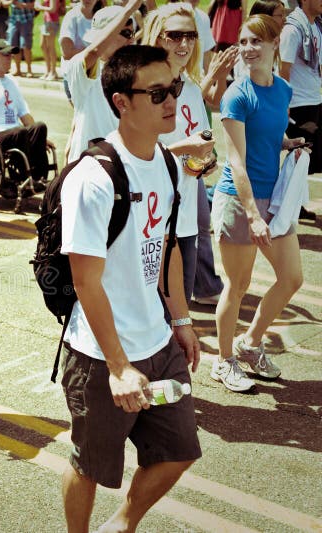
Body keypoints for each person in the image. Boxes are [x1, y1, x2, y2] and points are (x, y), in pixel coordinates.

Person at [59, 44, 202, 533]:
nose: (172, 101)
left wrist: (180, 320)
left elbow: (167, 249)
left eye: (175, 88)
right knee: (91, 466)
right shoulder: (95, 177)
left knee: (179, 450)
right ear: (122, 102)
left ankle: (122, 525)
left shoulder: (164, 162)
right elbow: (85, 280)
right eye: (158, 92)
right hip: (102, 357)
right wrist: (119, 366)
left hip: (159, 345)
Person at [211, 15, 305, 392]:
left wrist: (290, 145)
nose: (248, 48)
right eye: (244, 41)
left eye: (256, 41)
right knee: (238, 285)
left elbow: (269, 137)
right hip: (239, 200)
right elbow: (236, 160)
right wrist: (253, 215)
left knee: (292, 277)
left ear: (274, 44)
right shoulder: (237, 95)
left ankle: (249, 343)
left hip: (274, 199)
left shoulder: (282, 90)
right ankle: (223, 361)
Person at [141, 3, 223, 306]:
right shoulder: (141, 85)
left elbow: (204, 138)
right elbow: (130, 153)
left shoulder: (189, 87)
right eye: (175, 36)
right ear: (157, 37)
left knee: (180, 311)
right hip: (150, 219)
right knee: (153, 313)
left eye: (190, 36)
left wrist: (203, 160)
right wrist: (183, 149)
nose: (185, 44)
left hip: (185, 216)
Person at [0, 38, 53, 194]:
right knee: (20, 132)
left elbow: (24, 113)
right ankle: (24, 177)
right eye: (5, 55)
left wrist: (40, 139)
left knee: (39, 127)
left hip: (15, 133)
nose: (10, 59)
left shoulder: (12, 81)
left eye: (11, 55)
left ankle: (38, 178)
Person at [63, 1, 137, 164]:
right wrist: (130, 8)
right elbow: (96, 51)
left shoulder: (131, 72)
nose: (131, 40)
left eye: (132, 34)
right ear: (105, 35)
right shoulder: (80, 66)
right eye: (124, 33)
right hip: (88, 166)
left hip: (121, 166)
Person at [280, 0, 322, 221]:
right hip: (298, 104)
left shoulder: (315, 26)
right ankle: (288, 206)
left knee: (308, 157)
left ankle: (296, 203)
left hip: (314, 100)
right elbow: (283, 69)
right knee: (298, 156)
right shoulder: (293, 29)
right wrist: (284, 103)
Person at [35, 0, 62, 80]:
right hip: (46, 21)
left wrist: (40, 7)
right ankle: (48, 71)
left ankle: (53, 72)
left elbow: (53, 9)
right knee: (42, 45)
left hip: (52, 22)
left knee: (51, 47)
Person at [7, 0, 34, 77]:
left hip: (26, 20)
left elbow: (34, 4)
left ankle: (29, 70)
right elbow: (5, 3)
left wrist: (22, 5)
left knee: (26, 46)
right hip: (13, 20)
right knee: (14, 46)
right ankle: (18, 70)